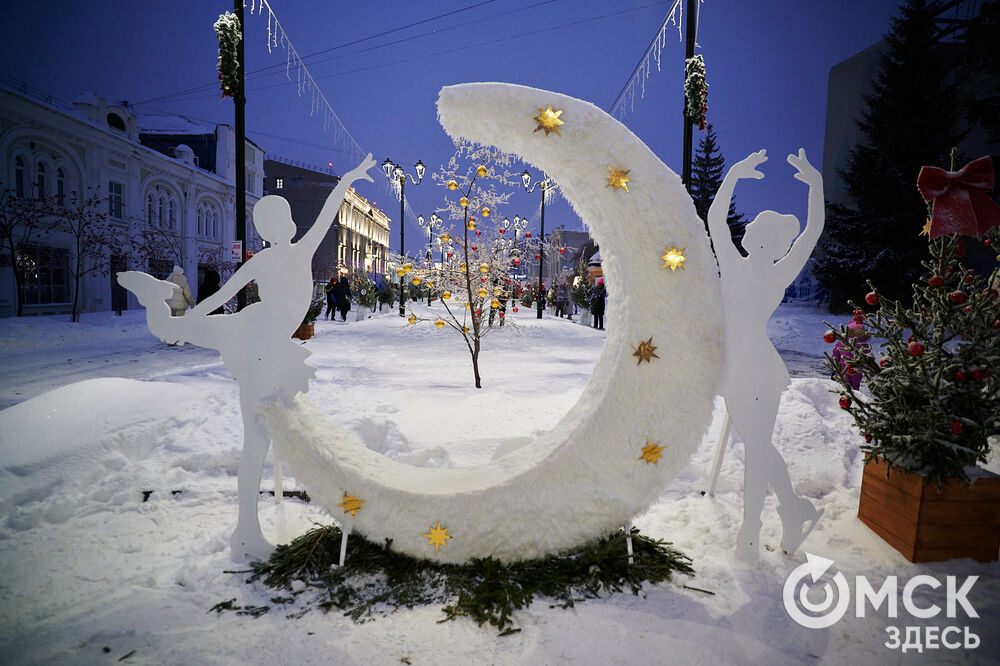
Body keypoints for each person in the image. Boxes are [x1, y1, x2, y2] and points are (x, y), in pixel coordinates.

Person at [117, 153, 376, 561]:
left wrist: (196, 314)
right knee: (256, 438)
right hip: (258, 342)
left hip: (256, 336)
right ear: (287, 226)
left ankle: (156, 301)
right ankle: (246, 530)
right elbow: (327, 213)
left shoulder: (267, 259)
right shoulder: (296, 251)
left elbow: (223, 295)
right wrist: (347, 179)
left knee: (174, 331)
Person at [708, 148, 824, 558]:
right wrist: (734, 174)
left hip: (756, 368)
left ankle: (751, 531)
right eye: (755, 229)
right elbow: (715, 220)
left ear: (771, 242)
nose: (753, 233)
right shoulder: (737, 264)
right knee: (758, 445)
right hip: (741, 367)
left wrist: (816, 186)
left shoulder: (776, 272)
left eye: (762, 231)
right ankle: (791, 509)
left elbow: (811, 232)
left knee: (757, 448)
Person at [832, 319, 870, 391]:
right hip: (843, 367)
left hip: (857, 369)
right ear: (851, 330)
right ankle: (844, 397)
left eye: (861, 329)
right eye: (857, 329)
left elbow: (868, 357)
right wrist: (834, 362)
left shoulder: (863, 344)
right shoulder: (843, 341)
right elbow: (836, 352)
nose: (859, 331)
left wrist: (870, 368)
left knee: (855, 385)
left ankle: (855, 398)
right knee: (844, 384)